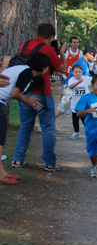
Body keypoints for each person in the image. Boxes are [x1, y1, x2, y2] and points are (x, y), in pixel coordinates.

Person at [11, 23, 67, 172]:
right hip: (43, 92)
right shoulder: (48, 49)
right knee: (48, 128)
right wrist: (61, 52)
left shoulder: (25, 44)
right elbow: (62, 68)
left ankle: (18, 159)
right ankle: (49, 163)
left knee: (26, 126)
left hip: (25, 90)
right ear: (51, 37)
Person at [0, 53, 52, 184]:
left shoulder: (25, 70)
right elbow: (15, 93)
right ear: (43, 68)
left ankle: (2, 173)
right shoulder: (27, 73)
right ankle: (1, 175)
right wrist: (27, 100)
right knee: (0, 141)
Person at [67, 64, 92, 140]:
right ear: (72, 72)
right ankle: (76, 132)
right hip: (75, 104)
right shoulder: (71, 80)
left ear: (82, 72)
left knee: (85, 120)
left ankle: (89, 133)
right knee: (75, 120)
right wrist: (78, 82)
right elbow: (70, 86)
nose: (78, 73)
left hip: (84, 105)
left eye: (79, 72)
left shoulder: (85, 78)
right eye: (76, 72)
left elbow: (93, 81)